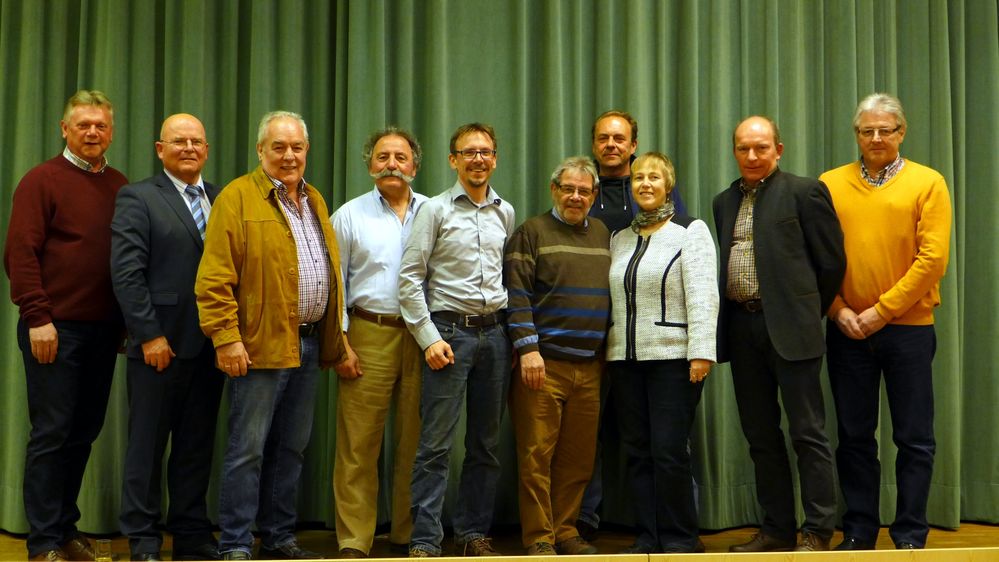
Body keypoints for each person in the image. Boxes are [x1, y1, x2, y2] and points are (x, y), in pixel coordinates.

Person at [195, 110, 347, 561]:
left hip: (308, 343)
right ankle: (237, 542)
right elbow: (214, 278)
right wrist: (226, 338)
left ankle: (279, 537)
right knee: (248, 450)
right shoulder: (237, 198)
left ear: (307, 150)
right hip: (259, 345)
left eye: (297, 147)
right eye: (278, 147)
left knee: (291, 449)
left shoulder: (315, 200)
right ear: (260, 150)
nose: (289, 156)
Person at [820, 93, 952, 551]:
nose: (876, 137)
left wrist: (882, 311)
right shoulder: (829, 184)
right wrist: (838, 309)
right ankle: (859, 531)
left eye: (885, 130)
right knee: (854, 437)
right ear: (856, 134)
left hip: (908, 330)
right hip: (847, 330)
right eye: (867, 130)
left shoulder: (928, 183)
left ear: (902, 132)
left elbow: (932, 260)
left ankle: (910, 534)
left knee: (914, 438)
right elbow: (816, 256)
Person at [4, 89, 128, 562]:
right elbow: (20, 254)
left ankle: (65, 529)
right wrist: (38, 317)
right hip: (54, 329)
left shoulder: (119, 185)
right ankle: (42, 544)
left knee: (83, 433)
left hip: (103, 333)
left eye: (100, 125)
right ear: (65, 129)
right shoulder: (41, 180)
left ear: (111, 132)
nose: (92, 132)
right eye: (83, 125)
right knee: (52, 433)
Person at [713, 116, 845, 552]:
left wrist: (804, 311)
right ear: (734, 151)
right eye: (743, 148)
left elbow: (831, 264)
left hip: (793, 330)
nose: (752, 156)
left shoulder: (805, 192)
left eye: (761, 147)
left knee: (808, 433)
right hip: (742, 328)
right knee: (761, 436)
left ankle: (818, 530)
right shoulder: (723, 201)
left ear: (778, 150)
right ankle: (777, 529)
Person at [111, 113, 224, 562]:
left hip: (211, 346)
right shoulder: (138, 197)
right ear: (160, 149)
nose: (189, 148)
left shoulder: (220, 198)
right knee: (146, 448)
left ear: (207, 150)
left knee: (196, 447)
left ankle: (191, 534)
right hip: (159, 346)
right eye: (179, 141)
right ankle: (142, 540)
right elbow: (127, 273)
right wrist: (149, 335)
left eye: (197, 141)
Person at [399, 123, 515, 557]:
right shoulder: (435, 210)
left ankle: (472, 534)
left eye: (485, 151)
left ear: (495, 159)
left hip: (495, 336)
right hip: (447, 336)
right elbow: (409, 279)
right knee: (435, 445)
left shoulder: (506, 212)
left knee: (486, 446)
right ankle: (425, 539)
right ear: (453, 160)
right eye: (469, 152)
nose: (478, 159)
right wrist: (428, 338)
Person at [578, 110, 689, 541]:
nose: (611, 144)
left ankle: (678, 530)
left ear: (633, 145)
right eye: (603, 138)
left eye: (619, 138)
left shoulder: (662, 201)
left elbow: (688, 271)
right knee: (592, 432)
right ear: (594, 145)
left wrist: (699, 348)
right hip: (596, 335)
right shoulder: (582, 189)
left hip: (656, 342)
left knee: (666, 443)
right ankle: (585, 519)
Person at [606, 152, 718, 553]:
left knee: (669, 451)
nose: (646, 184)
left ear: (668, 185)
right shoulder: (619, 238)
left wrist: (701, 352)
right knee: (637, 452)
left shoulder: (690, 230)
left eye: (654, 177)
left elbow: (703, 295)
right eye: (639, 178)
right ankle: (649, 536)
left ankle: (681, 538)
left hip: (674, 359)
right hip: (625, 361)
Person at [503, 156, 609, 556]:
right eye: (568, 189)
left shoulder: (603, 235)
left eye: (584, 191)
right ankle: (539, 537)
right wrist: (528, 348)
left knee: (578, 459)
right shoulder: (531, 232)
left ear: (594, 195)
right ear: (554, 190)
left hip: (591, 366)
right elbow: (516, 295)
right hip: (543, 366)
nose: (575, 197)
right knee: (536, 457)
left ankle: (565, 530)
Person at [331, 127, 428, 558]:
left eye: (401, 157)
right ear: (369, 164)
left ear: (415, 166)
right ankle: (354, 540)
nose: (392, 164)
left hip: (424, 337)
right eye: (383, 156)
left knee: (417, 442)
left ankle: (408, 533)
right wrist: (342, 343)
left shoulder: (434, 212)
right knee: (359, 444)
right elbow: (335, 285)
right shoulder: (349, 215)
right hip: (368, 334)